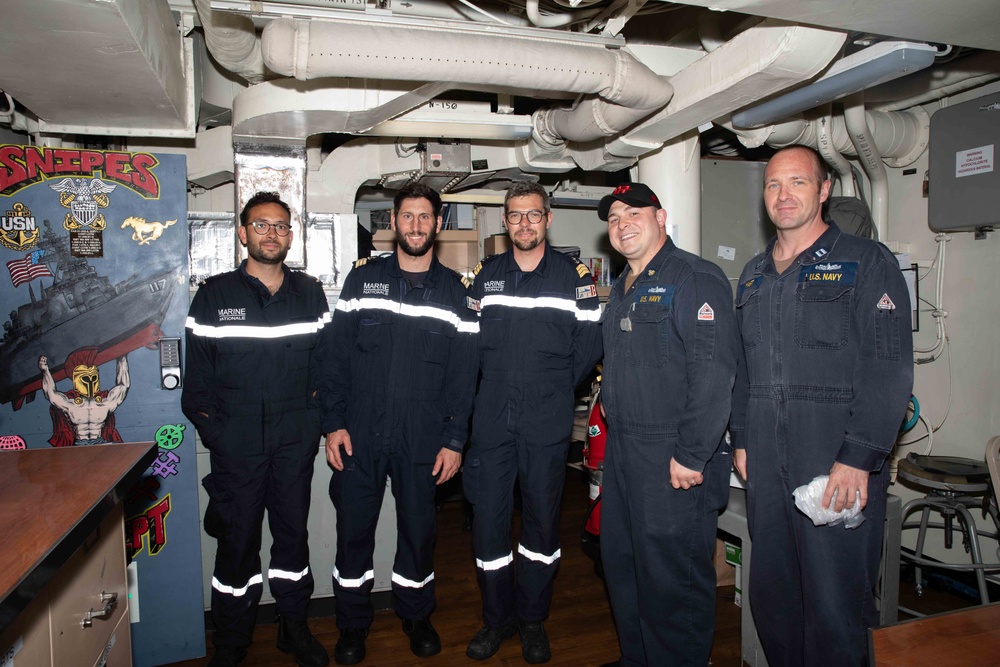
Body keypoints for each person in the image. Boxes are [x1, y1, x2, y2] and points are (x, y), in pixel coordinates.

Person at [730, 145, 913, 666]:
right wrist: (742, 438)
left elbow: (889, 366)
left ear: (824, 190)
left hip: (832, 453)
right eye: (772, 185)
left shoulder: (865, 261)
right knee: (773, 596)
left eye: (797, 183)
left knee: (836, 604)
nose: (783, 195)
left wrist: (859, 456)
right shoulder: (754, 274)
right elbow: (744, 369)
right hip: (765, 454)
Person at [319, 183, 478, 665]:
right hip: (360, 434)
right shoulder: (361, 280)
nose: (415, 225)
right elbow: (335, 357)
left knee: (418, 531)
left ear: (438, 222)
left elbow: (464, 375)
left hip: (423, 437)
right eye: (407, 216)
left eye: (424, 217)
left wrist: (454, 441)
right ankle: (351, 624)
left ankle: (416, 613)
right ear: (393, 220)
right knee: (354, 533)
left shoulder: (456, 292)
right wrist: (333, 424)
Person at [182, 191, 330, 667]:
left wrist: (310, 427)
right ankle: (231, 641)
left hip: (293, 446)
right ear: (243, 233)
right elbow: (196, 390)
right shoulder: (214, 295)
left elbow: (326, 372)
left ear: (291, 235)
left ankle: (294, 626)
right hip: (237, 448)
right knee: (236, 546)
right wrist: (222, 437)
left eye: (281, 226)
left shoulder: (309, 293)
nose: (272, 233)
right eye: (262, 225)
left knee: (292, 540)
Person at [596, 183, 739, 667]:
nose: (622, 223)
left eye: (633, 212)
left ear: (661, 218)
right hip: (624, 451)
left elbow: (715, 370)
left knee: (672, 581)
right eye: (613, 218)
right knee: (625, 566)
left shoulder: (695, 278)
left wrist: (692, 452)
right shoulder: (622, 286)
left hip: (671, 454)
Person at [464, 181, 602, 664]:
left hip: (546, 418)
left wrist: (556, 386)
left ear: (548, 219)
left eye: (533, 215)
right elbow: (467, 344)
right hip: (491, 418)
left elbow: (590, 340)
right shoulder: (486, 276)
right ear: (505, 221)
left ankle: (531, 619)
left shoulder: (573, 275)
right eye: (516, 216)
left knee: (542, 525)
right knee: (489, 524)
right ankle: (495, 618)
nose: (524, 224)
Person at [39, 348, 128, 446]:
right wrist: (45, 371)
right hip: (79, 444)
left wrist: (122, 359)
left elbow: (123, 385)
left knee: (116, 449)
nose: (90, 382)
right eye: (85, 378)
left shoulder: (106, 403)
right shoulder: (70, 405)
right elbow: (50, 394)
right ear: (77, 380)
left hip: (100, 442)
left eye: (93, 378)